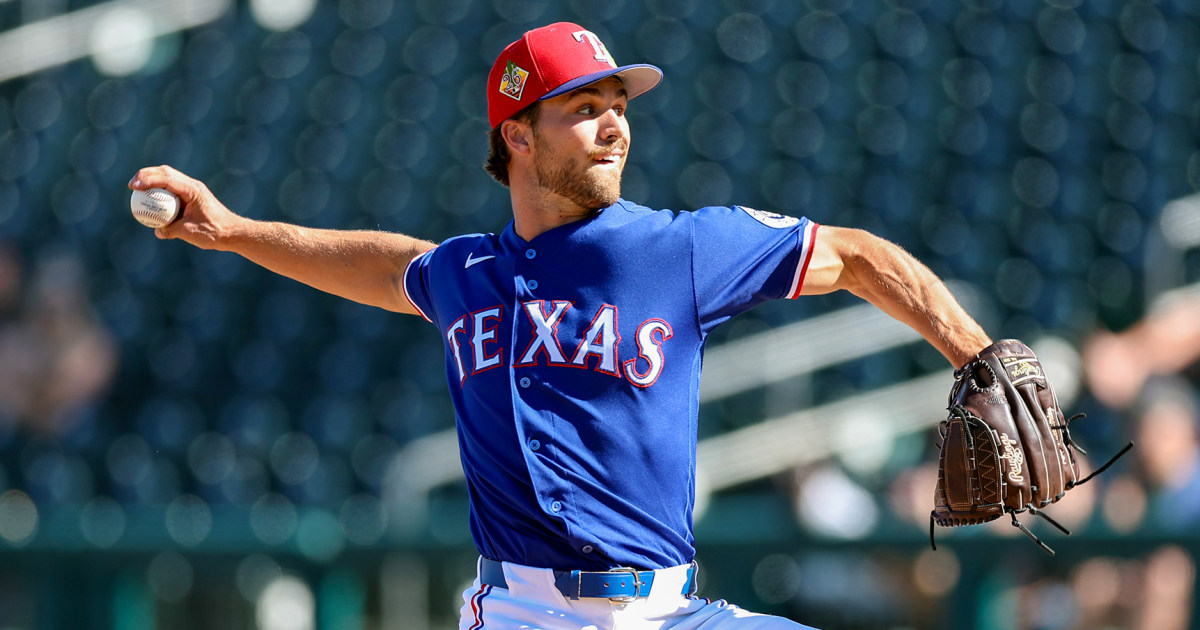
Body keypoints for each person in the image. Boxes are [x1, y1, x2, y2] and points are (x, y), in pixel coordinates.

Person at [130, 22, 992, 630]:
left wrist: (981, 359)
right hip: (518, 611)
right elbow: (379, 262)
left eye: (618, 102)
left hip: (667, 613)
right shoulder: (466, 273)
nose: (614, 122)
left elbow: (859, 256)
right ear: (519, 138)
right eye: (583, 107)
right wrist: (232, 229)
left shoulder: (678, 248)